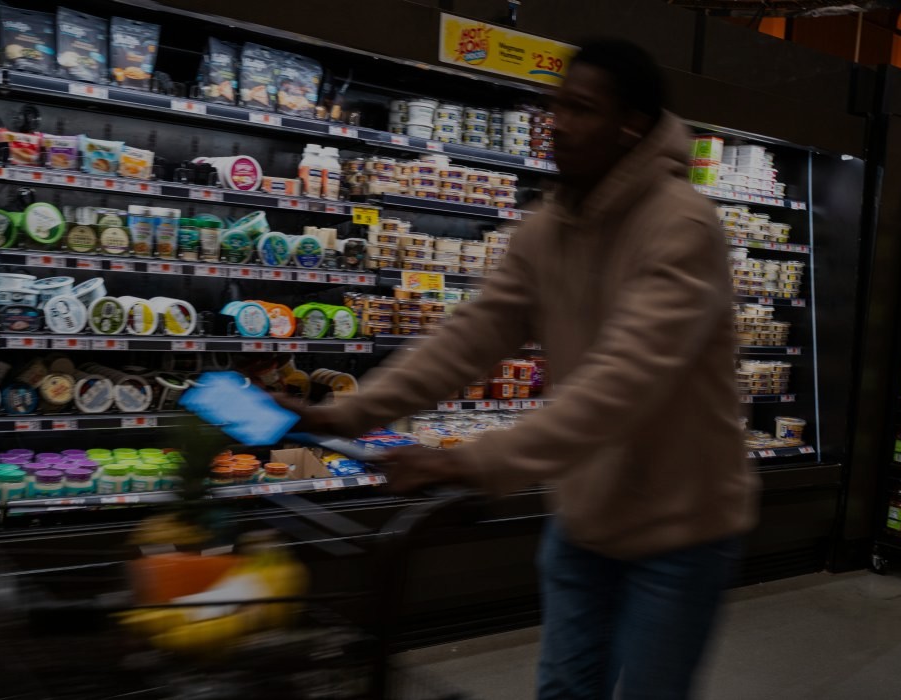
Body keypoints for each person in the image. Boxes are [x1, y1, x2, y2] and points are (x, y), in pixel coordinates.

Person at [290, 38, 758, 699]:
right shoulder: (550, 224)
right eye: (556, 105)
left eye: (581, 108)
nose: (558, 123)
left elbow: (621, 383)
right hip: (585, 517)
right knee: (564, 691)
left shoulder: (683, 226)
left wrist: (471, 461)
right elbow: (473, 334)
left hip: (680, 529)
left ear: (633, 127)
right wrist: (349, 412)